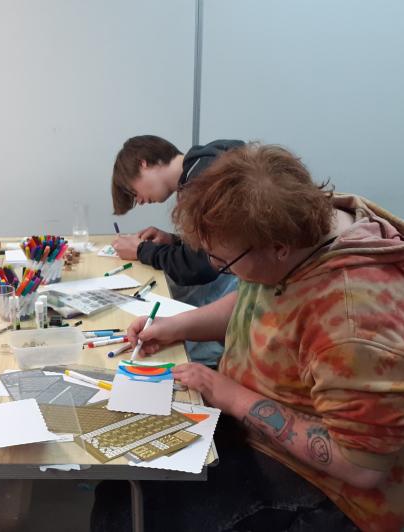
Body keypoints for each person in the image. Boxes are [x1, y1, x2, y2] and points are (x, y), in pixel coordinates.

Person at [94, 144, 404, 531]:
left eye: (224, 262)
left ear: (277, 249)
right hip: (253, 430)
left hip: (328, 491)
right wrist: (177, 326)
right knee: (122, 480)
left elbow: (360, 467)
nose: (223, 270)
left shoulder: (353, 324)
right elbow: (250, 300)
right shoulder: (301, 237)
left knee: (128, 515)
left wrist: (227, 393)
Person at [110, 135, 244, 366]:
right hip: (241, 282)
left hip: (240, 288)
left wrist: (142, 250)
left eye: (133, 193)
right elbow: (218, 244)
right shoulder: (203, 165)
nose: (139, 201)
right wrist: (175, 241)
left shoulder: (203, 180)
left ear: (143, 163)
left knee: (174, 354)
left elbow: (201, 265)